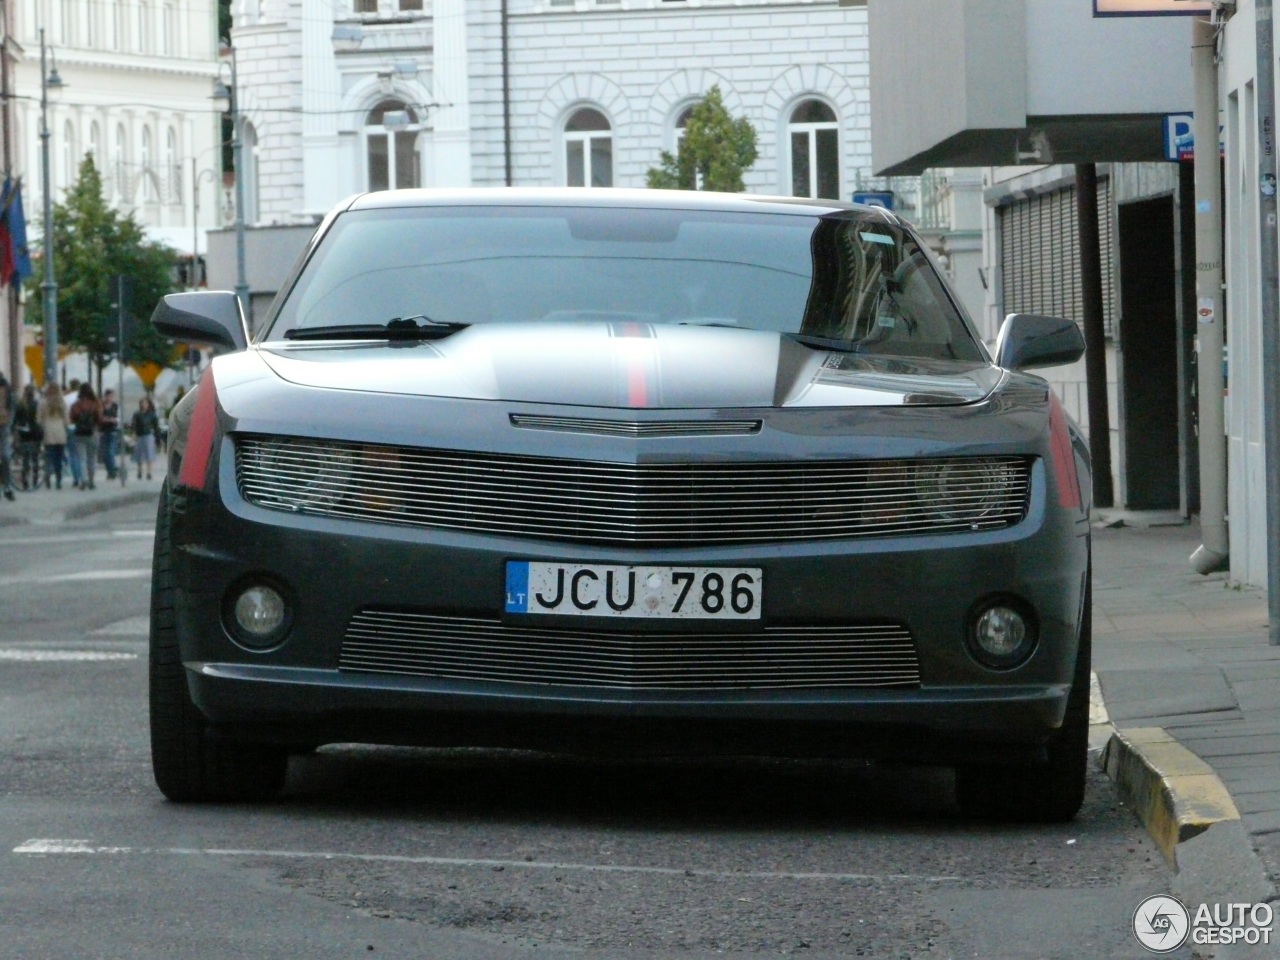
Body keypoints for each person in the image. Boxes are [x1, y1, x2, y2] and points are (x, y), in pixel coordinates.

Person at [68, 383, 101, 490]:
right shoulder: (95, 404)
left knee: (81, 458)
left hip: (79, 434)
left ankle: (84, 480)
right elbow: (99, 419)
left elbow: (72, 419)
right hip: (92, 433)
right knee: (92, 458)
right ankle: (91, 481)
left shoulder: (76, 405)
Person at [37, 382, 69, 490]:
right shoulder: (61, 403)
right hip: (60, 432)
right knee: (59, 458)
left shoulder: (43, 402)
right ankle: (58, 481)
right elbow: (66, 420)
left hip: (48, 431)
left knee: (49, 457)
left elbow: (38, 419)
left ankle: (48, 479)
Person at [14, 383, 43, 490]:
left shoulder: (20, 404)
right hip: (35, 434)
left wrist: (14, 431)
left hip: (24, 434)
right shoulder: (36, 404)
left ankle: (25, 481)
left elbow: (15, 421)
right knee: (35, 457)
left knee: (25, 459)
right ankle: (35, 479)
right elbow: (40, 420)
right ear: (33, 393)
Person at [130, 396, 160, 481]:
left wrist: (157, 438)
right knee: (139, 455)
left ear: (148, 404)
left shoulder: (152, 414)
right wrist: (133, 433)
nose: (144, 405)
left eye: (145, 403)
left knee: (149, 454)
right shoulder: (137, 414)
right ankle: (139, 471)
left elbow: (156, 427)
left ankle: (149, 472)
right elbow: (133, 425)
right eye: (142, 403)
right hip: (140, 436)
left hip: (148, 435)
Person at [62, 378, 83, 489]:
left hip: (69, 427)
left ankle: (76, 478)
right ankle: (82, 476)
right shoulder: (82, 398)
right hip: (81, 427)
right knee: (81, 454)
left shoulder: (65, 398)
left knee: (72, 454)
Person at [99, 388, 121, 480]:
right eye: (109, 396)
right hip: (103, 431)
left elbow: (118, 418)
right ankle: (110, 470)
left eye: (112, 396)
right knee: (105, 453)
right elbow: (99, 417)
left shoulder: (115, 406)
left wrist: (110, 420)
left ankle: (112, 471)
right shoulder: (101, 406)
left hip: (112, 431)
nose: (110, 398)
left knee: (110, 451)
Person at [0, 370, 14, 501]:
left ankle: (7, 486)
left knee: (5, 456)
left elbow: (11, 406)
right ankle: (7, 486)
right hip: (4, 424)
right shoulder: (6, 386)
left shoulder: (5, 386)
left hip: (3, 424)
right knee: (5, 456)